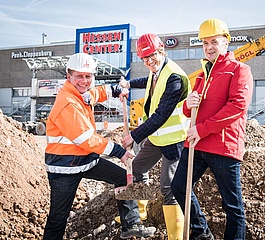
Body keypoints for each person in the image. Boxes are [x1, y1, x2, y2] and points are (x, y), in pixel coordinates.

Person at [43, 53, 156, 239]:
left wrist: (116, 90)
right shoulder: (67, 103)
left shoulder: (81, 94)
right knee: (58, 217)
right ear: (68, 76)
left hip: (85, 159)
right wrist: (119, 152)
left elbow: (96, 93)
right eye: (79, 76)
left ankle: (131, 225)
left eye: (88, 76)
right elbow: (86, 139)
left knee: (123, 178)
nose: (84, 81)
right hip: (64, 167)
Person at [171, 18, 253, 240]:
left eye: (214, 42)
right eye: (205, 43)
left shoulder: (239, 70)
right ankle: (202, 234)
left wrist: (202, 129)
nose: (209, 47)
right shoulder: (201, 74)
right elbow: (190, 112)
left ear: (226, 42)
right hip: (196, 144)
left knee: (232, 205)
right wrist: (187, 104)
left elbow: (237, 107)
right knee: (179, 187)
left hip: (223, 146)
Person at [119, 33, 191, 239]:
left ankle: (175, 235)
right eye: (145, 58)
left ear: (161, 51)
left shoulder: (174, 77)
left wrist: (134, 136)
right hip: (157, 138)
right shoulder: (157, 71)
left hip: (175, 140)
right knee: (138, 169)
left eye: (152, 56)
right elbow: (148, 81)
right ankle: (141, 213)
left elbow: (161, 115)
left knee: (169, 186)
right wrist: (128, 85)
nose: (149, 61)